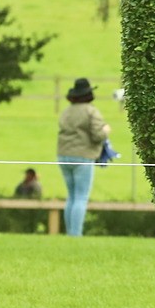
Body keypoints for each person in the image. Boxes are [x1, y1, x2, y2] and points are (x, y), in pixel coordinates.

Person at [56, 77, 111, 236]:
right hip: (83, 157)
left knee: (71, 196)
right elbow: (97, 135)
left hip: (63, 156)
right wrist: (106, 130)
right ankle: (76, 235)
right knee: (81, 197)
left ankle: (70, 234)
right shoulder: (91, 111)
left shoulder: (66, 111)